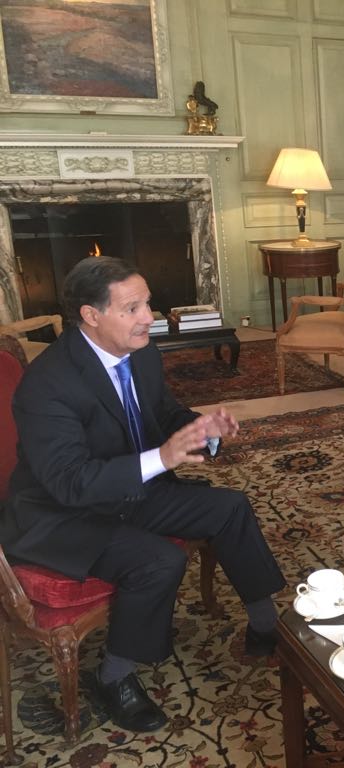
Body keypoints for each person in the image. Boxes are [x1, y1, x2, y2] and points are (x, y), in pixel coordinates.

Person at [1, 257, 286, 733]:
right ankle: (112, 678)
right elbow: (71, 482)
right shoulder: (48, 384)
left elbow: (163, 414)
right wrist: (163, 458)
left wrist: (201, 430)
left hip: (131, 487)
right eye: (132, 308)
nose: (148, 317)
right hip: (65, 514)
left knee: (229, 508)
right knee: (157, 560)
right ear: (91, 316)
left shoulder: (144, 353)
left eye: (147, 303)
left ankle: (266, 627)